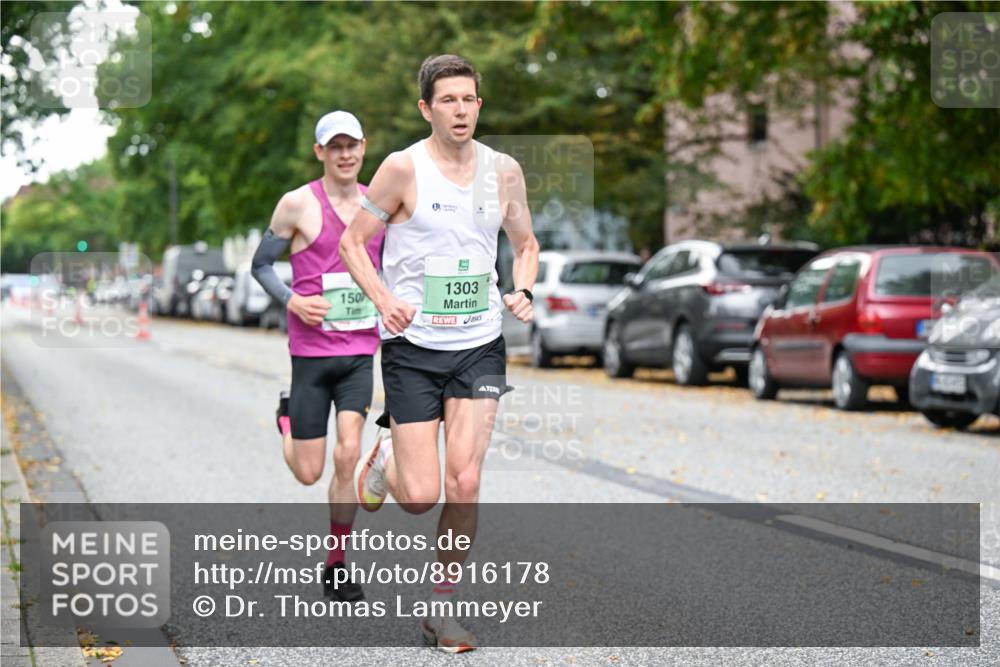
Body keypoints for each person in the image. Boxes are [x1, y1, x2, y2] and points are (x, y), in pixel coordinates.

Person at [340, 54, 539, 653]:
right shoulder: (402, 169)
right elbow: (354, 243)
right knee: (422, 494)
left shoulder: (503, 172)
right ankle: (385, 460)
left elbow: (526, 244)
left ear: (481, 104)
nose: (461, 110)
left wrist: (523, 289)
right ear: (427, 108)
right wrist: (382, 300)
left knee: (467, 480)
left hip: (478, 343)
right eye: (448, 100)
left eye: (469, 99)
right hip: (413, 347)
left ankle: (441, 609)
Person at [251, 110, 384, 603]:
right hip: (310, 353)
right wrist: (291, 299)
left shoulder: (379, 204)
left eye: (353, 145)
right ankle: (288, 421)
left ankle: (337, 563)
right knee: (309, 471)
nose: (345, 154)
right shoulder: (296, 204)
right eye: (336, 146)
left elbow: (392, 265)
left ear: (364, 148)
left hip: (358, 350)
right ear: (320, 152)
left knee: (348, 453)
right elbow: (260, 265)